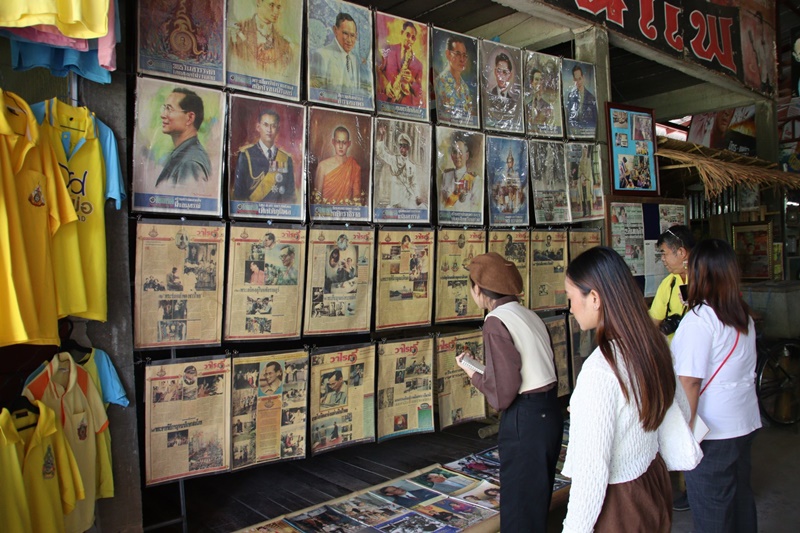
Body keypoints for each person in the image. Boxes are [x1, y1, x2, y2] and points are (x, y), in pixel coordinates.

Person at [561, 247, 702, 532]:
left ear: (594, 298)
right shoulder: (653, 345)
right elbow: (680, 410)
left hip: (619, 503)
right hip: (652, 483)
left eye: (571, 297)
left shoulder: (600, 370)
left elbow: (591, 474)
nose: (571, 308)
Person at [455, 252, 562, 531]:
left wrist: (473, 374)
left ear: (478, 290)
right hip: (549, 413)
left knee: (518, 509)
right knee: (535, 503)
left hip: (525, 419)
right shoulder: (529, 314)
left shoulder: (495, 320)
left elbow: (503, 394)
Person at [671, 239, 761, 533]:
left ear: (699, 273)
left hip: (712, 432)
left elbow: (690, 381)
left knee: (712, 512)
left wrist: (685, 432)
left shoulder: (700, 320)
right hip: (743, 422)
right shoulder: (742, 315)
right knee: (740, 501)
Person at [233, 108, 295, 204]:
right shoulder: (246, 155)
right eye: (265, 125)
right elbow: (239, 195)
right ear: (258, 127)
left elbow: (289, 196)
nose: (269, 130)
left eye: (273, 126)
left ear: (278, 129)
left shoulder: (286, 159)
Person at [155, 88, 211, 187]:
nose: (163, 115)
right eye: (164, 108)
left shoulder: (190, 163)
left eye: (169, 109)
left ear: (189, 118)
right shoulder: (183, 154)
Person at [649, 225, 695, 341]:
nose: (662, 259)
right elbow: (653, 321)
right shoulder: (668, 283)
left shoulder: (705, 280)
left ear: (681, 252)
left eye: (664, 253)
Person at [228, 0, 294, 76]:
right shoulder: (238, 32)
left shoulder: (284, 44)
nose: (276, 11)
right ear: (259, 2)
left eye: (278, 7)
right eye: (271, 5)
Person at [310, 12, 366, 95]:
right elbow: (316, 94)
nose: (349, 40)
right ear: (335, 30)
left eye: (352, 35)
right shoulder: (321, 55)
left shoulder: (354, 60)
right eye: (345, 33)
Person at [375, 123, 424, 209]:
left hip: (408, 199)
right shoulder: (394, 160)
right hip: (396, 200)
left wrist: (417, 196)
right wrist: (382, 137)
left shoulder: (412, 166)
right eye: (400, 146)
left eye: (404, 146)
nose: (401, 148)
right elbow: (381, 153)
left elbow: (414, 183)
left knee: (423, 208)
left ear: (408, 148)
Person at [377, 21, 424, 106]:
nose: (410, 39)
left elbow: (419, 93)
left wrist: (412, 80)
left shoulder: (418, 65)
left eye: (413, 38)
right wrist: (386, 85)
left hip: (404, 107)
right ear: (402, 33)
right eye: (407, 35)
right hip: (385, 104)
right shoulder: (389, 49)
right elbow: (378, 70)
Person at [313, 126, 362, 205]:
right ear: (333, 142)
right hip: (325, 211)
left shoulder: (354, 167)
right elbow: (317, 198)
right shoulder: (323, 166)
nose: (341, 146)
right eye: (338, 142)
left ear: (349, 144)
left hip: (347, 211)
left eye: (344, 142)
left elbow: (357, 200)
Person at [434, 35, 474, 122]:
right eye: (458, 54)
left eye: (464, 55)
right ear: (448, 54)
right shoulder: (439, 83)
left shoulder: (465, 88)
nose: (462, 59)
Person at [440, 134, 477, 209]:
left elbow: (475, 207)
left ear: (467, 156)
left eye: (460, 152)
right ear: (452, 156)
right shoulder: (445, 176)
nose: (457, 156)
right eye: (455, 152)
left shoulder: (474, 179)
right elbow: (442, 204)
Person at [485, 52, 521, 127]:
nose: (501, 76)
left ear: (510, 75)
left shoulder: (513, 102)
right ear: (495, 72)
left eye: (505, 72)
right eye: (499, 71)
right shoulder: (487, 96)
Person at [565, 64, 597, 131]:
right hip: (574, 132)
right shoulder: (570, 96)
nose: (578, 82)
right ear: (574, 80)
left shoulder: (591, 97)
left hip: (587, 132)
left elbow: (595, 121)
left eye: (579, 78)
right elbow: (568, 117)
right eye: (576, 79)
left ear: (583, 77)